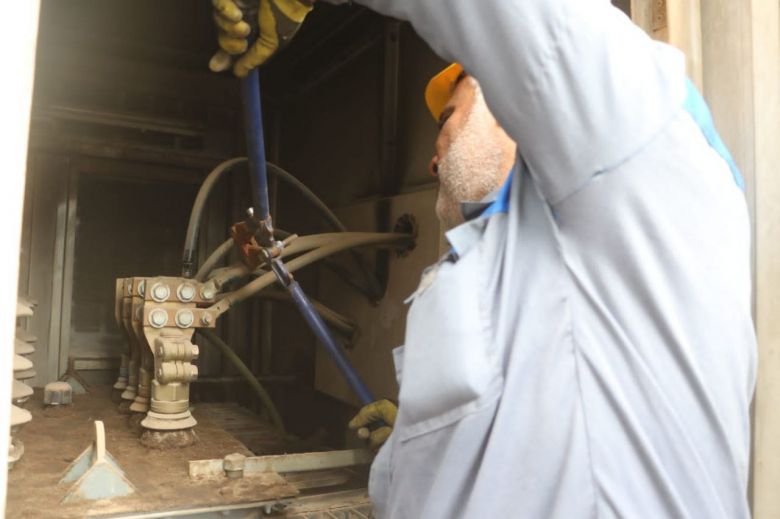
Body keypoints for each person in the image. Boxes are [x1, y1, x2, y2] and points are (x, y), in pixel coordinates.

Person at [211, 1, 757, 518]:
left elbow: (529, 22)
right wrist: (418, 444)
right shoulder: (530, 264)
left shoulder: (636, 162)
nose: (431, 162)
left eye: (447, 118)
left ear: (506, 99)